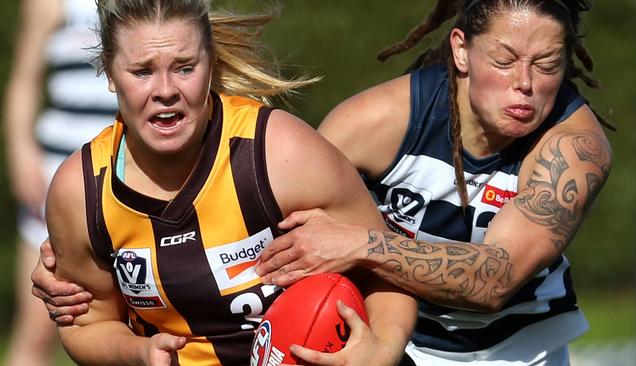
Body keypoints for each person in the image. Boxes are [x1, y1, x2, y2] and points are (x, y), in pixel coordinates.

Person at [31, 0, 614, 365]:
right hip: (398, 341)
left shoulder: (574, 146)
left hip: (519, 349)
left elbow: (496, 279)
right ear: (461, 50)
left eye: (547, 65)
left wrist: (363, 245)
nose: (525, 85)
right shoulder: (377, 123)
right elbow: (247, 206)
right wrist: (74, 260)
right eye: (506, 59)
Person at [32, 0, 416, 365]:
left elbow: (390, 267)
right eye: (142, 71)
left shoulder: (279, 152)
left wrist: (380, 350)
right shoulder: (80, 191)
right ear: (110, 73)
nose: (165, 90)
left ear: (211, 63)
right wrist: (138, 353)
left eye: (185, 67)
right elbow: (89, 324)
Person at [2, 0, 117, 365]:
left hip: (135, 176)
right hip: (55, 177)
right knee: (38, 327)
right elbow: (24, 77)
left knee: (140, 331)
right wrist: (21, 154)